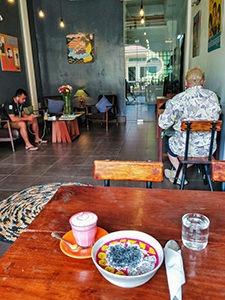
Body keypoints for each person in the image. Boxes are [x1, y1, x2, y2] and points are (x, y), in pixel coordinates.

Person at [158, 68, 221, 185]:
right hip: (207, 148)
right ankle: (177, 173)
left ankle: (180, 175)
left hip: (183, 148)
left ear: (186, 83)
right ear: (203, 82)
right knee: (193, 153)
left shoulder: (178, 99)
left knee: (169, 142)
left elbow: (163, 124)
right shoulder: (213, 97)